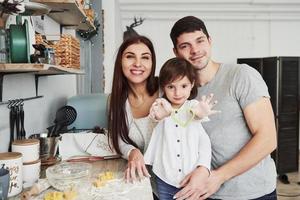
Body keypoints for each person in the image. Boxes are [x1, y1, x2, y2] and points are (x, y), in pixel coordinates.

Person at [170, 16, 277, 200]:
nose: (195, 50)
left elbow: (268, 139)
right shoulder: (181, 91)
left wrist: (219, 177)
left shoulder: (241, 75)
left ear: (210, 41)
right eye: (185, 46)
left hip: (253, 193)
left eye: (200, 40)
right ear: (176, 52)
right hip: (207, 193)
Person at [144, 57, 218, 200]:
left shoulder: (193, 107)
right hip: (165, 177)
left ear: (192, 85)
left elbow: (199, 121)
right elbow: (155, 117)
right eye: (171, 87)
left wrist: (201, 113)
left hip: (192, 178)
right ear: (163, 87)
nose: (177, 93)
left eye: (183, 86)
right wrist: (161, 115)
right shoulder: (161, 105)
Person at [107, 35, 159, 198]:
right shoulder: (115, 100)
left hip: (176, 182)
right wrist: (132, 152)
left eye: (145, 57)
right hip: (139, 181)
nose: (138, 63)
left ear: (152, 63)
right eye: (130, 56)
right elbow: (119, 139)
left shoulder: (168, 88)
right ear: (120, 62)